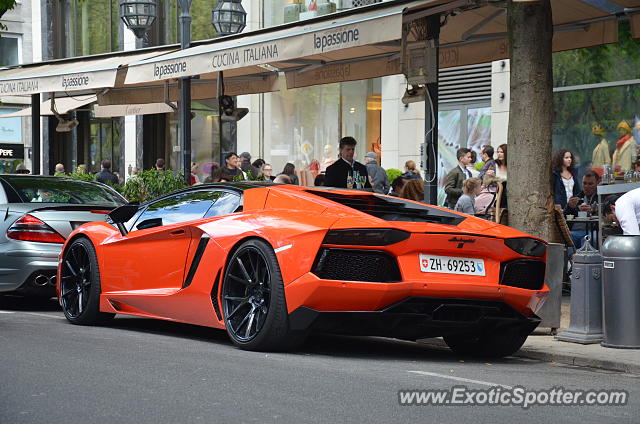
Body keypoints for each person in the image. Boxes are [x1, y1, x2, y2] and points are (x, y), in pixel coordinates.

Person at [565, 170, 600, 248]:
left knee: (588, 239)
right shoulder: (576, 197)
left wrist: (595, 210)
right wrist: (570, 207)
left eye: (590, 184)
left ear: (598, 183)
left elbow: (606, 213)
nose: (586, 186)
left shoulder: (601, 197)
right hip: (576, 230)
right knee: (567, 237)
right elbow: (564, 217)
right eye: (584, 183)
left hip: (593, 230)